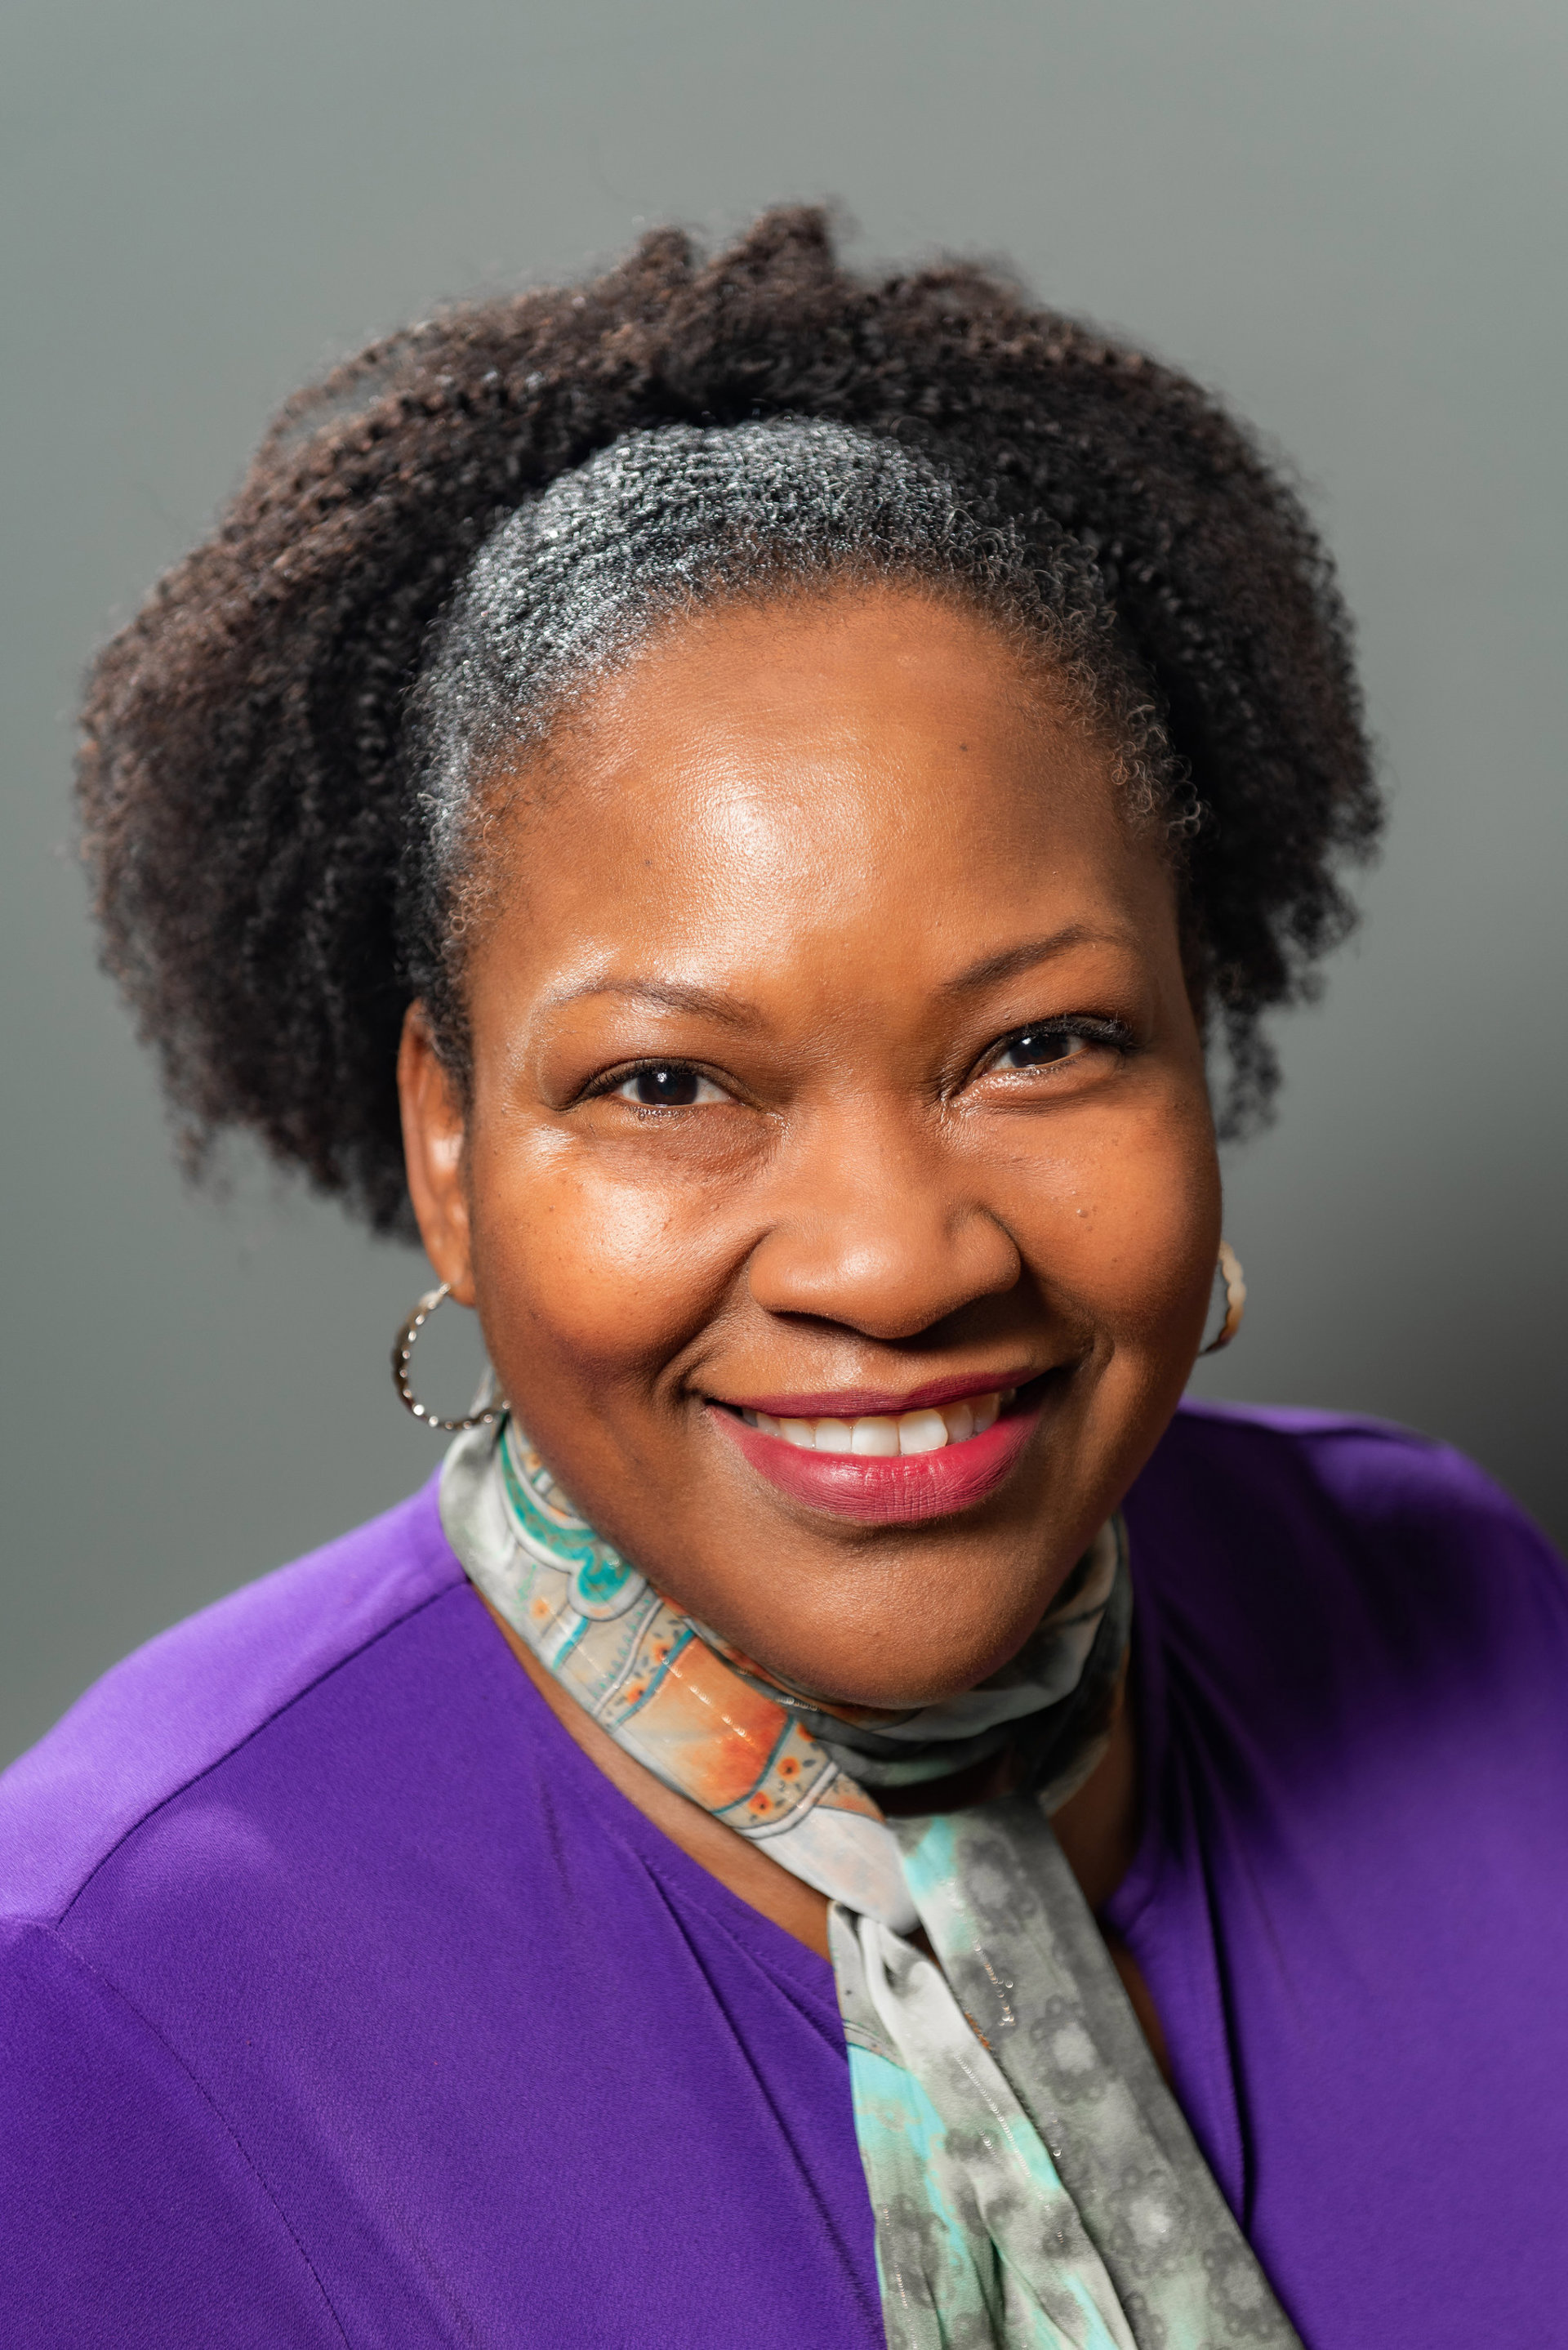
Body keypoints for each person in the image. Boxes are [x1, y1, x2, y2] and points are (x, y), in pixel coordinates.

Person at [3, 207, 1564, 2350]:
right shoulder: (106, 1997)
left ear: (1195, 1046)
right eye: (669, 1082)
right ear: (449, 1147)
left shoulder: (1460, 1619)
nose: (894, 1262)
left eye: (1043, 1045)